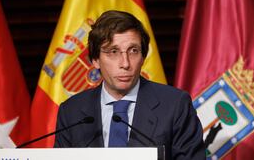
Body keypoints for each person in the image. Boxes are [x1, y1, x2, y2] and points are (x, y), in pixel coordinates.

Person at [54, 10, 205, 160]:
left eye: (133, 51)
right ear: (95, 60)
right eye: (113, 51)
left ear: (143, 57)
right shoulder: (71, 112)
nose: (125, 63)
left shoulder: (175, 105)